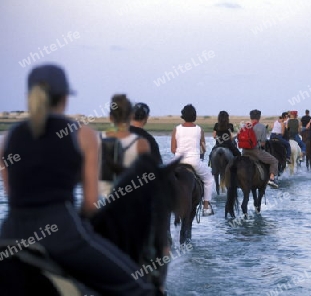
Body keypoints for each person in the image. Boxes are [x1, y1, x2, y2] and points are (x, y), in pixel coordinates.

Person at [0, 64, 154, 295]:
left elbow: (12, 194)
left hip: (9, 233)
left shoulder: (9, 137)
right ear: (64, 98)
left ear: (29, 95)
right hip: (62, 233)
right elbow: (90, 203)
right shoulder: (81, 134)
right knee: (139, 288)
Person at [98, 95, 150, 198]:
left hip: (101, 201)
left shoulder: (95, 140)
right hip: (129, 203)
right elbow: (146, 180)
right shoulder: (141, 143)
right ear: (131, 116)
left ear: (110, 117)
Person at [171, 104, 214, 216]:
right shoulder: (199, 130)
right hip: (194, 162)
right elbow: (203, 148)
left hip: (178, 162)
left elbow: (173, 149)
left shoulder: (176, 129)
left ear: (183, 116)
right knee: (209, 178)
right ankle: (206, 206)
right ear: (194, 116)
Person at [241, 109, 280, 188]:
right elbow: (263, 143)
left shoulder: (244, 126)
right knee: (274, 161)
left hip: (244, 152)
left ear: (250, 117)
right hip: (256, 151)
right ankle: (271, 179)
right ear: (259, 117)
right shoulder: (262, 127)